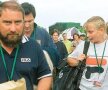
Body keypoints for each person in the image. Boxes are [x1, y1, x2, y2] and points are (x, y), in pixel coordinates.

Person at [0, 1, 52, 90]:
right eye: (7, 22)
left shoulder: (34, 46)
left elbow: (45, 76)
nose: (13, 29)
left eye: (17, 22)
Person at [67, 16, 108, 90]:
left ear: (101, 30)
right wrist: (77, 61)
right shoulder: (84, 45)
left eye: (90, 32)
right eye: (86, 32)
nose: (87, 35)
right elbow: (69, 59)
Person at [21, 2, 60, 67]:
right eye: (24, 21)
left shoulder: (43, 33)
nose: (27, 25)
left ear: (34, 18)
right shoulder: (13, 34)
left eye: (30, 21)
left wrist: (41, 52)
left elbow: (56, 55)